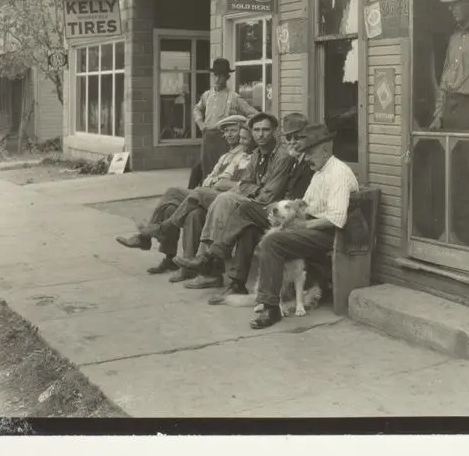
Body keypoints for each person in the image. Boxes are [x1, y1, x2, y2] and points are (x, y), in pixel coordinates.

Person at [178, 112, 314, 301]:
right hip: (275, 210)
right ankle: (236, 283)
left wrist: (256, 192)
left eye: (297, 138)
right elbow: (245, 184)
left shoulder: (302, 162)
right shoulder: (265, 155)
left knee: (234, 205)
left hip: (284, 214)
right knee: (237, 224)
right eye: (289, 138)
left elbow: (271, 194)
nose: (291, 142)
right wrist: (255, 189)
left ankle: (210, 257)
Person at [249, 123, 359, 330]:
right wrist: (285, 219)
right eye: (305, 153)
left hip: (330, 233)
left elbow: (336, 218)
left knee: (273, 241)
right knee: (271, 234)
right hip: (313, 226)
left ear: (326, 150)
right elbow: (304, 204)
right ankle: (268, 299)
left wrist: (302, 225)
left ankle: (271, 307)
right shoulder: (319, 173)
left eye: (310, 152)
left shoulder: (338, 173)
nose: (306, 158)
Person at [114, 115, 253, 274]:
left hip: (222, 199)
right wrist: (212, 183)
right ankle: (170, 259)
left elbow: (229, 184)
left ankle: (149, 235)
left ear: (244, 133)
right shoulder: (226, 156)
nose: (229, 135)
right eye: (226, 131)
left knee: (174, 192)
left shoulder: (246, 155)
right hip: (209, 193)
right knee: (171, 207)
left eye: (234, 131)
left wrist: (214, 184)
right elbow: (210, 179)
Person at [428, 0, 469, 249]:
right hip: (450, 110)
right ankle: (463, 238)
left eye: (456, 4)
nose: (452, 10)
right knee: (454, 178)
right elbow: (444, 79)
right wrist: (439, 113)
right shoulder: (454, 38)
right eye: (450, 5)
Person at [191, 58, 258, 187]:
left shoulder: (233, 97)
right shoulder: (207, 95)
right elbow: (197, 109)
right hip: (207, 137)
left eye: (221, 76)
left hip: (224, 139)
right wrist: (201, 124)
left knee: (223, 168)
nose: (217, 79)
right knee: (205, 169)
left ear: (227, 77)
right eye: (215, 75)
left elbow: (253, 114)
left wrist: (241, 128)